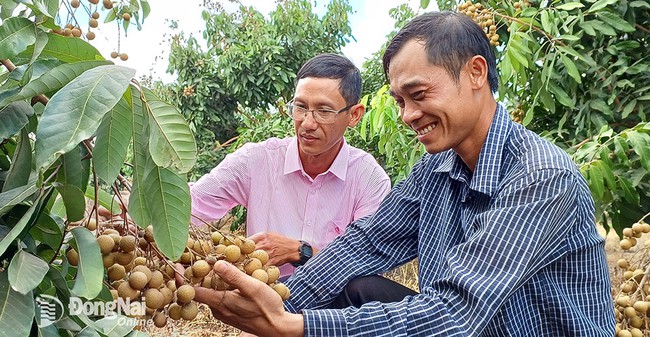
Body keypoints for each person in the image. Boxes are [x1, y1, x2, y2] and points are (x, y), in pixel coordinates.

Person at [189, 11, 615, 336]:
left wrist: (296, 325)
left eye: (419, 94)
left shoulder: (541, 176)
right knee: (353, 287)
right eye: (398, 100)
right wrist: (277, 301)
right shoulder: (436, 169)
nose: (409, 115)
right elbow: (366, 243)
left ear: (476, 73)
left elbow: (456, 314)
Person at [189, 53, 391, 278]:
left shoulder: (369, 179)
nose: (307, 123)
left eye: (324, 111)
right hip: (258, 303)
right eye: (300, 107)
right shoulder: (256, 160)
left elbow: (367, 263)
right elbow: (191, 205)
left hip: (336, 311)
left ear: (354, 115)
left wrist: (299, 251)